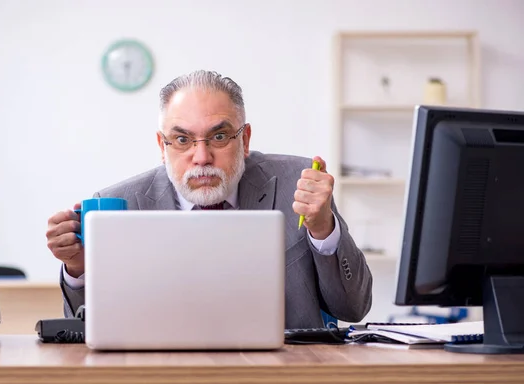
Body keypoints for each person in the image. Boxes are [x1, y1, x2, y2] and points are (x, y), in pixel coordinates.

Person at [46, 70, 373, 329]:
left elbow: (354, 308)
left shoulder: (297, 183)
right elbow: (84, 329)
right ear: (163, 146)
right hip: (163, 377)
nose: (201, 157)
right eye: (182, 139)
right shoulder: (117, 203)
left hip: (284, 378)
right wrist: (78, 267)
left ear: (244, 139)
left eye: (218, 136)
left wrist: (322, 229)